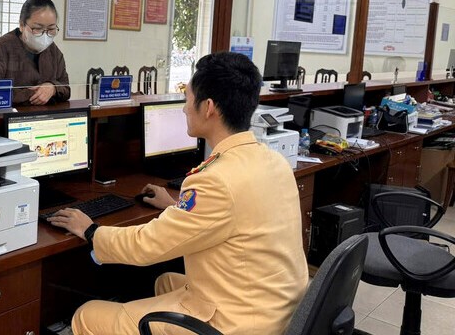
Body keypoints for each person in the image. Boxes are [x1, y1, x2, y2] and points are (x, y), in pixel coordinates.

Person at [48, 51, 308, 335]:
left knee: (87, 315)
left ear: (208, 107)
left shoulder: (215, 180)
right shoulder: (274, 161)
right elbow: (234, 215)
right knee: (165, 282)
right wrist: (174, 205)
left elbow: (147, 245)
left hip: (239, 324)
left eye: (187, 98)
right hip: (280, 310)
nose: (185, 108)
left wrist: (90, 231)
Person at [0, 0, 70, 105]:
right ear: (22, 25)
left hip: (45, 118)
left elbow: (65, 88)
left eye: (51, 29)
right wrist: (32, 94)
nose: (45, 35)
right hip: (7, 118)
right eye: (37, 28)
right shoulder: (2, 47)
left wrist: (53, 87)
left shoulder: (53, 52)